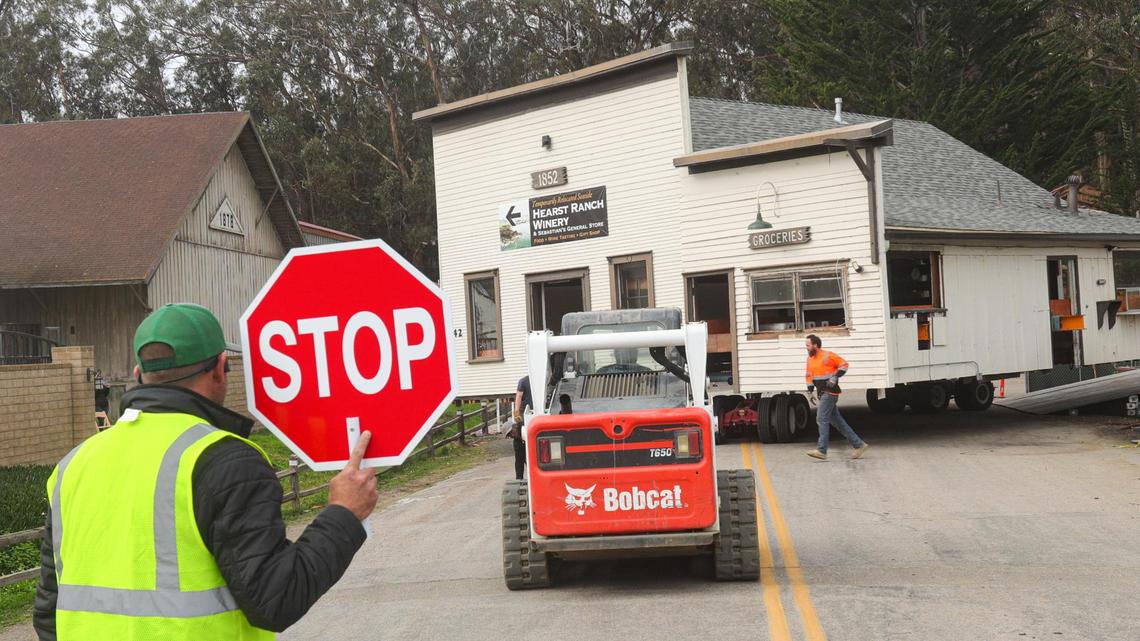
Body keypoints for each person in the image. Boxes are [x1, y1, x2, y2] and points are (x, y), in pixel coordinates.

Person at [34, 304, 379, 641]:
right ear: (220, 368)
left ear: (139, 375)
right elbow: (277, 599)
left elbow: (49, 613)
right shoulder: (225, 460)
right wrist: (343, 514)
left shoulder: (73, 465)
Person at [804, 334, 868, 461]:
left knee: (821, 419)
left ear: (815, 345)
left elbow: (844, 365)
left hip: (830, 392)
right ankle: (859, 445)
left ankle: (822, 450)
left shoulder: (828, 355)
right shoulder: (810, 359)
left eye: (808, 345)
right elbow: (809, 376)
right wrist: (810, 392)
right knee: (837, 421)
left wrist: (835, 377)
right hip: (822, 393)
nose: (806, 347)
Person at [509, 375, 532, 480]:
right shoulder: (540, 379)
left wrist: (517, 413)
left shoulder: (523, 381)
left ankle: (519, 478)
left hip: (523, 417)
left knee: (519, 449)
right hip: (535, 415)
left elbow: (518, 396)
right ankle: (532, 475)